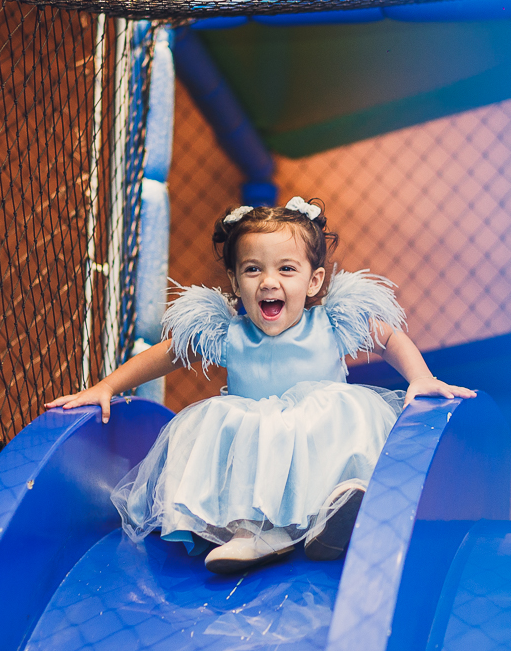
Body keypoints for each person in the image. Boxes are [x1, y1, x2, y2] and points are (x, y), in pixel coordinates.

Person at [46, 197, 474, 574]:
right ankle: (254, 532)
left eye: (286, 269)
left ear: (315, 281)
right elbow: (168, 353)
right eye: (253, 270)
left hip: (317, 441)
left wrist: (420, 376)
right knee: (221, 427)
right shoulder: (229, 334)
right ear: (234, 282)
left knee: (342, 412)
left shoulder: (330, 322)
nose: (269, 282)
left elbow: (388, 338)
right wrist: (106, 386)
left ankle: (335, 511)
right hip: (255, 447)